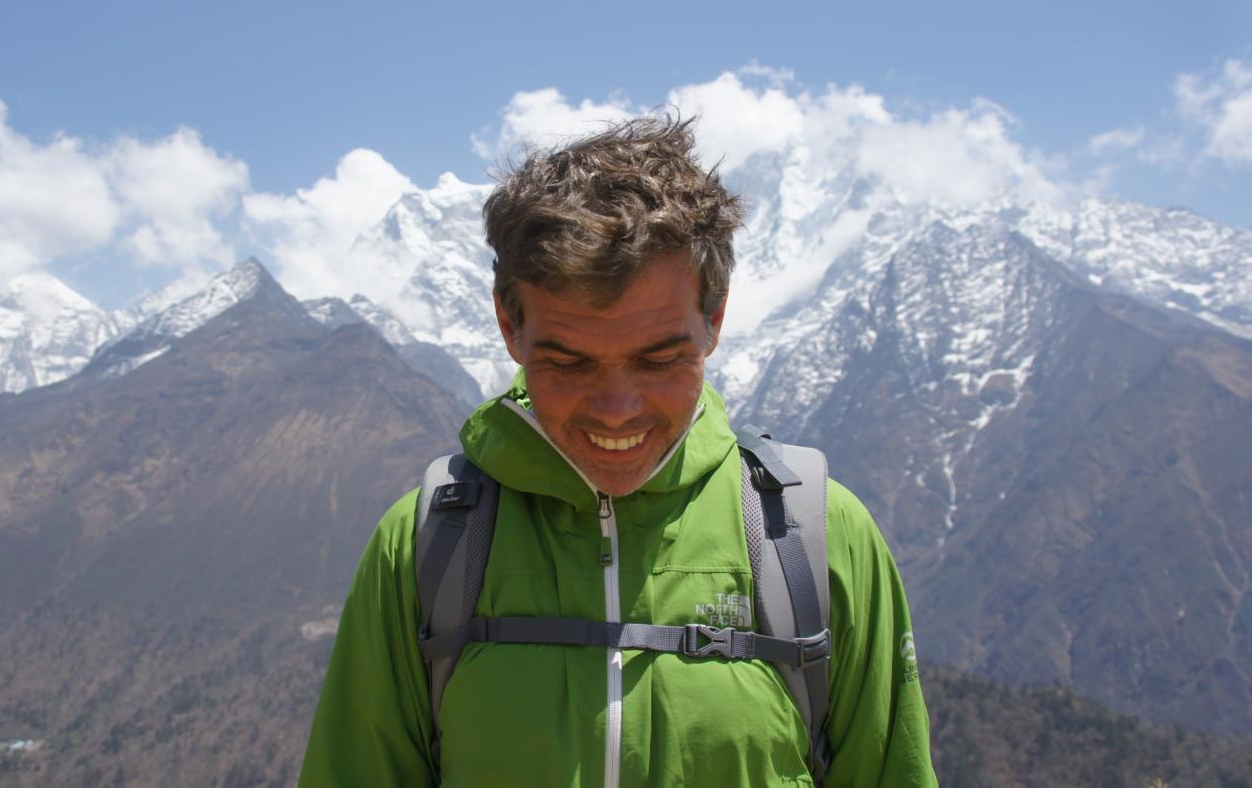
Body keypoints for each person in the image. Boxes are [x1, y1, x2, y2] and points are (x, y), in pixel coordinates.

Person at [297, 115, 937, 786]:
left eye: (658, 360)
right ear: (510, 326)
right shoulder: (424, 546)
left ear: (714, 320)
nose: (616, 410)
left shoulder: (818, 538)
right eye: (568, 362)